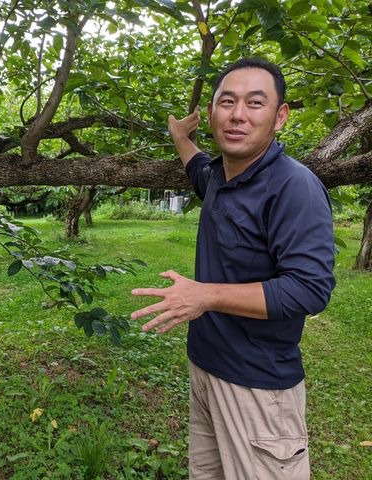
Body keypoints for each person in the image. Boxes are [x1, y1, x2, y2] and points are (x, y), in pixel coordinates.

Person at [130, 57, 336, 479]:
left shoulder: (293, 186)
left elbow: (310, 289)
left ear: (280, 117)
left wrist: (205, 295)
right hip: (206, 368)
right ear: (211, 113)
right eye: (226, 102)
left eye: (255, 103)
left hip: (257, 387)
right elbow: (194, 165)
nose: (238, 114)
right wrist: (177, 134)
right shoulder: (218, 177)